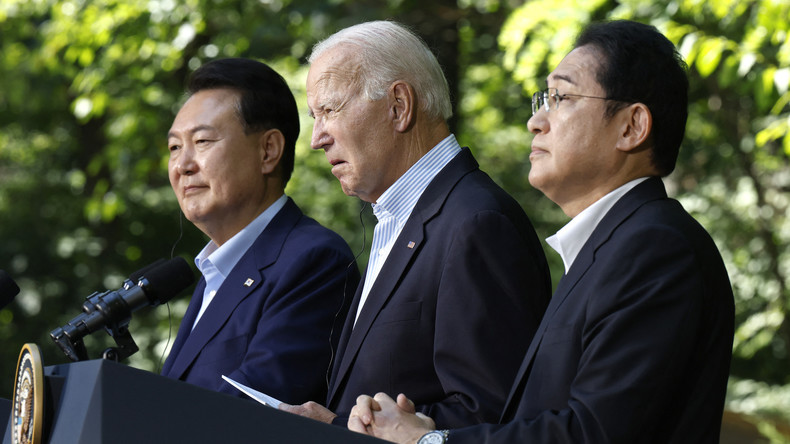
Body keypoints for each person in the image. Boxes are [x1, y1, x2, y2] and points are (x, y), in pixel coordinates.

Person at [348, 20, 735, 443]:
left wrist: (429, 442)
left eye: (562, 97)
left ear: (632, 127)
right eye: (543, 99)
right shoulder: (610, 247)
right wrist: (428, 427)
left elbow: (595, 433)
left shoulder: (656, 248)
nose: (536, 121)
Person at [278, 21, 552, 429]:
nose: (317, 138)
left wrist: (340, 429)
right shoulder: (403, 219)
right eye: (314, 117)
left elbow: (495, 416)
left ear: (399, 106)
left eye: (329, 110)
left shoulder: (476, 223)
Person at [161, 58, 360, 405]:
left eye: (203, 141)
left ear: (268, 150)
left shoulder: (313, 260)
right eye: (175, 147)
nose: (182, 165)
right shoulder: (215, 272)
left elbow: (252, 412)